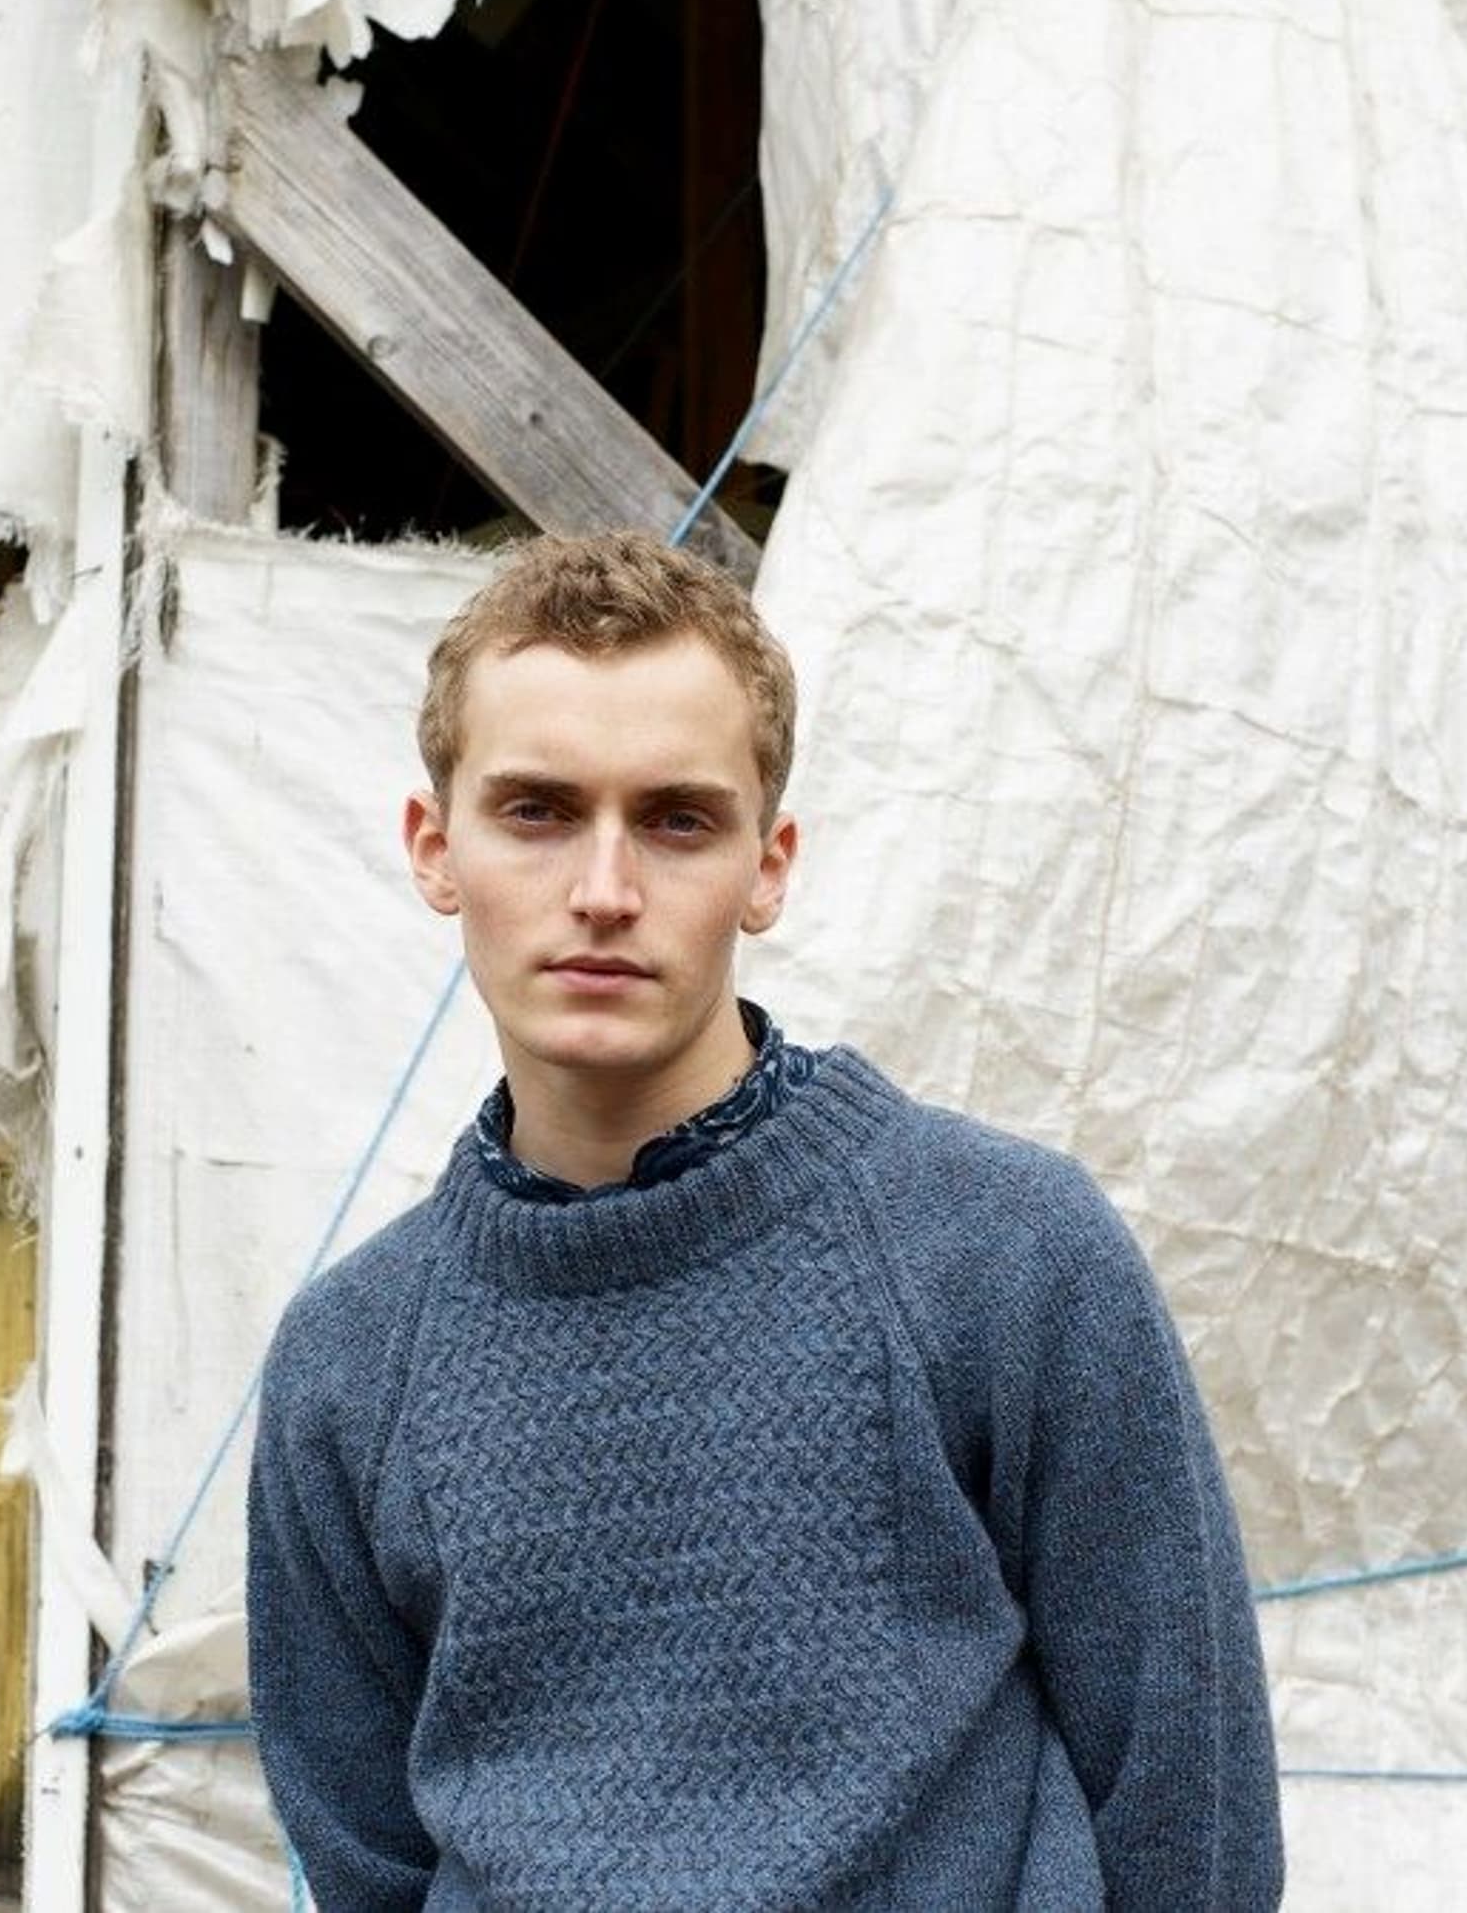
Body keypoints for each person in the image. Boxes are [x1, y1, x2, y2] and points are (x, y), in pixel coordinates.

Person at [245, 531, 1284, 1910]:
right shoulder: (347, 1365)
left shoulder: (1008, 1253)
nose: (604, 890)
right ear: (438, 850)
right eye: (538, 812)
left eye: (677, 819)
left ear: (769, 865)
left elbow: (1189, 1811)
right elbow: (363, 1859)